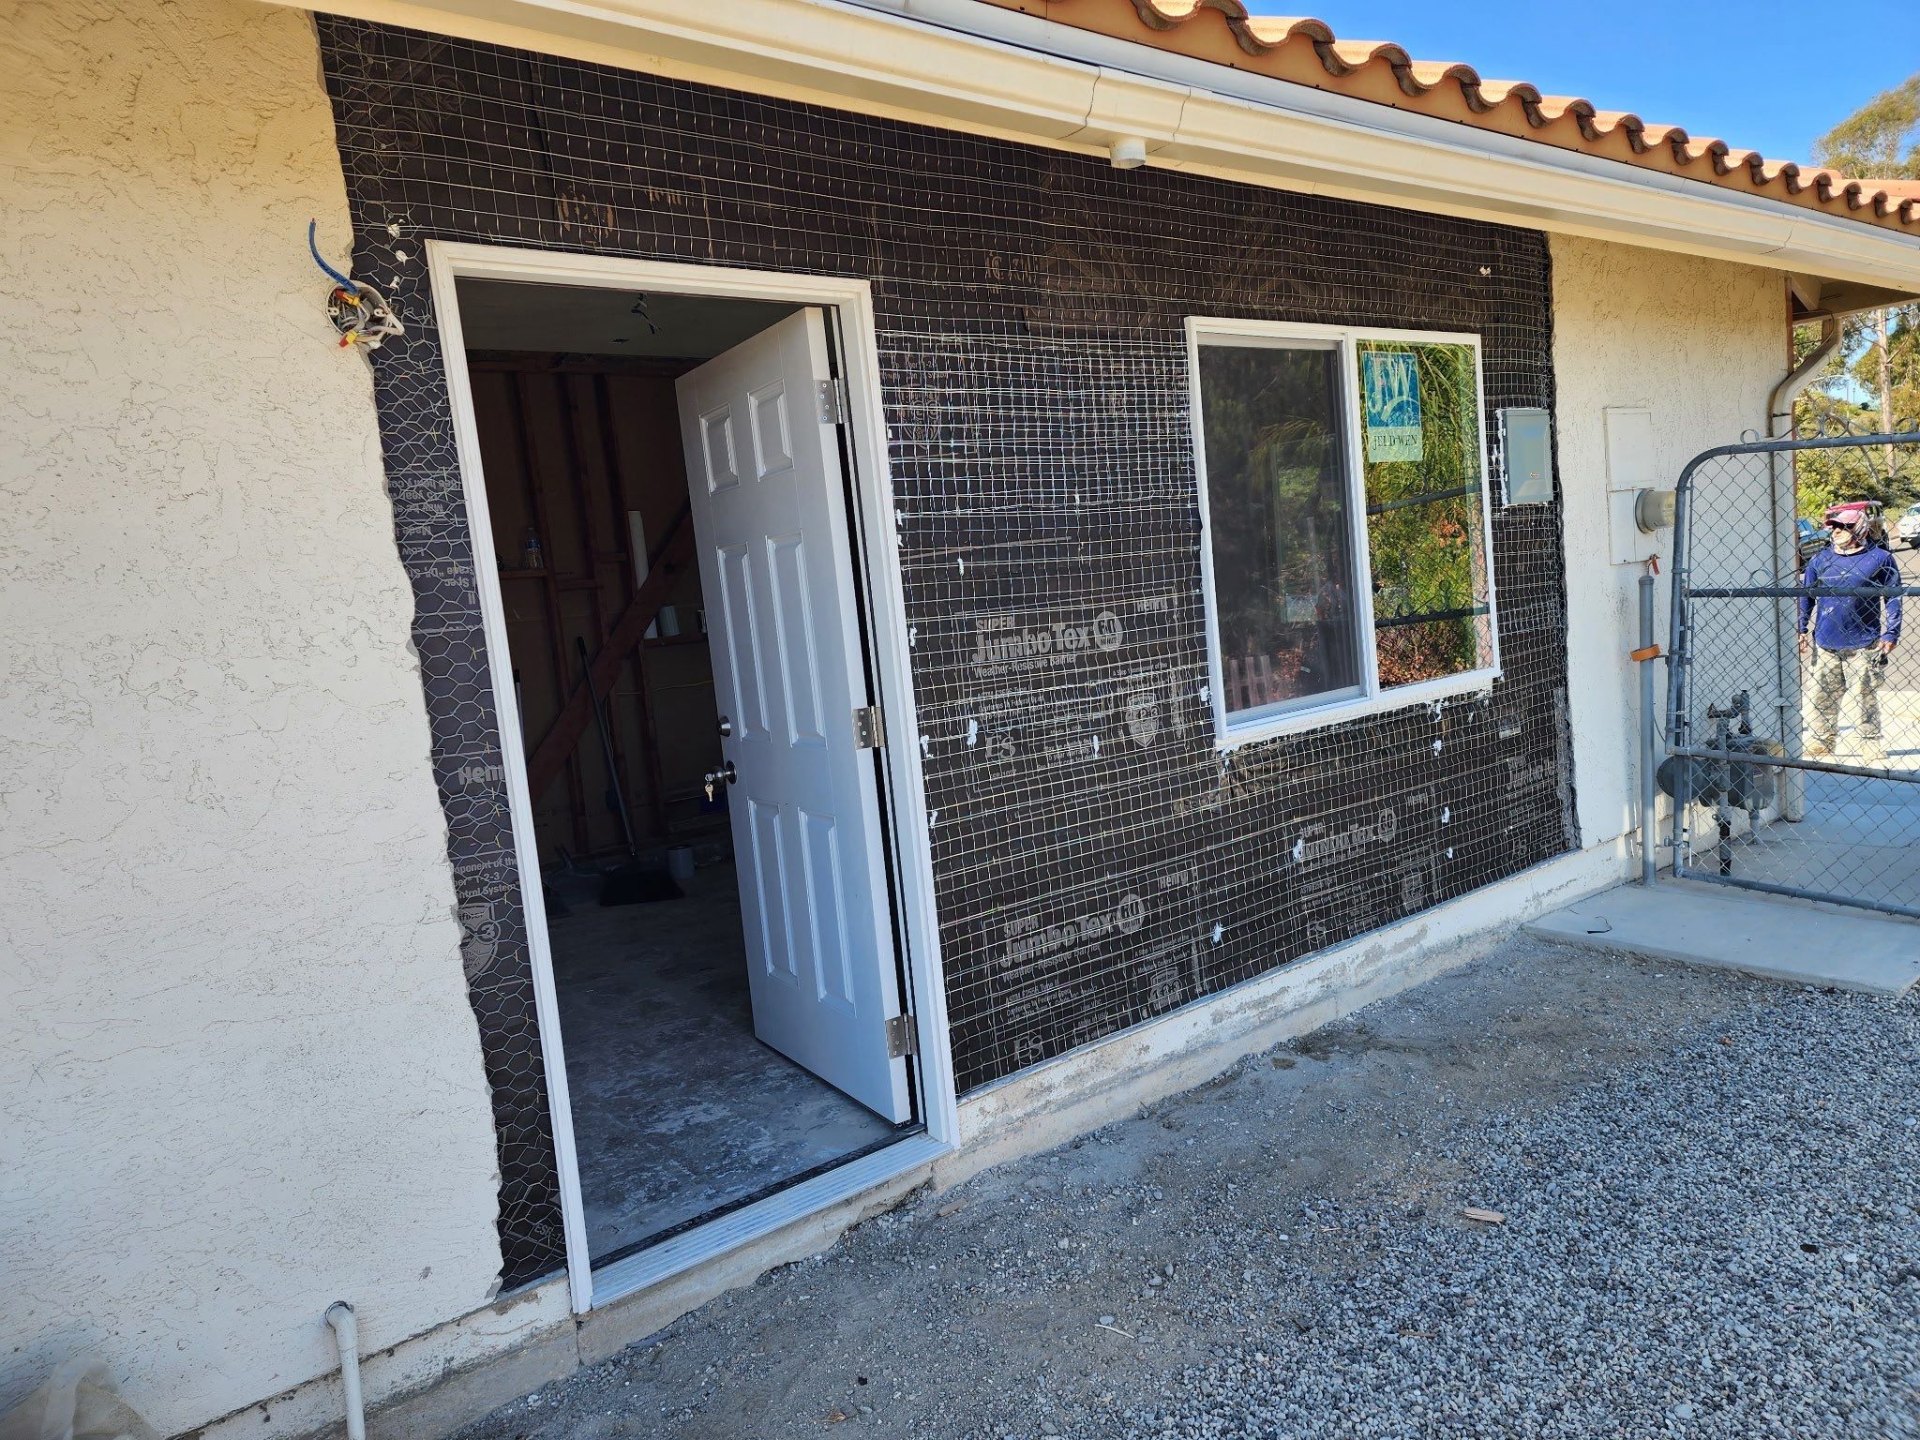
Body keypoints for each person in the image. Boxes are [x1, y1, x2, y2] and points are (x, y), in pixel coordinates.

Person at [1798, 501, 1901, 761]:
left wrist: (1891, 633)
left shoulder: (1880, 559)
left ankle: (1870, 744)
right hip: (1826, 642)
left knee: (1864, 698)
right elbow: (1807, 596)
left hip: (1864, 643)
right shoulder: (1820, 560)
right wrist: (1801, 627)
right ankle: (1822, 741)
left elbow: (1893, 597)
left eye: (1843, 527)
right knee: (1822, 698)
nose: (1836, 532)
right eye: (1833, 527)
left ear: (1860, 530)